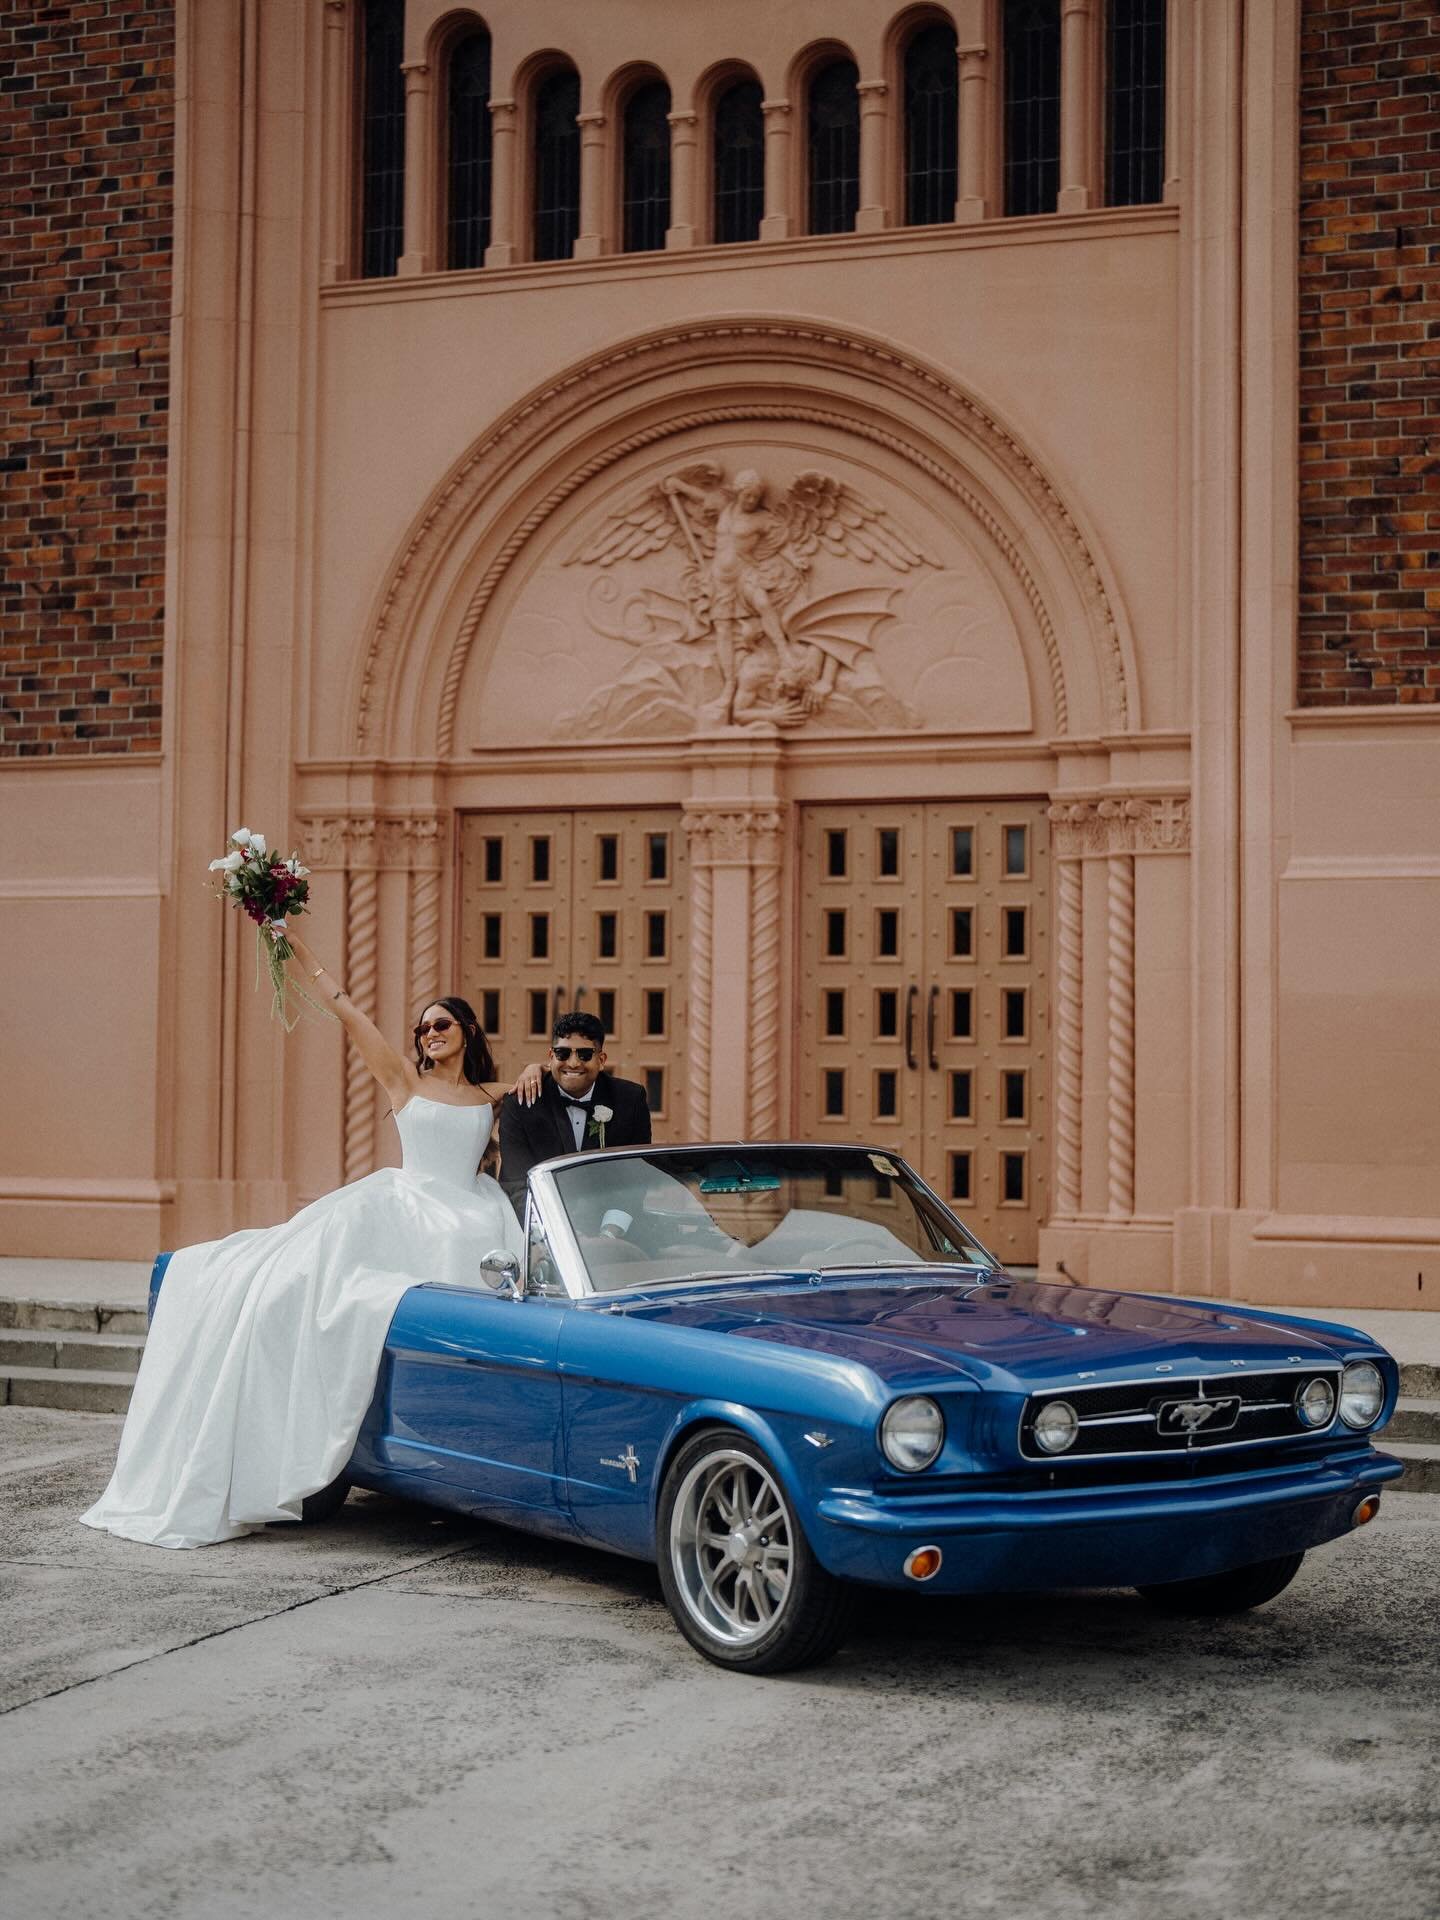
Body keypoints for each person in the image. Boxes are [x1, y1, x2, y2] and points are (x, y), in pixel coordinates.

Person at [80, 925, 526, 1550]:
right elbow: (344, 1007)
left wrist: (534, 1066)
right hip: (407, 1204)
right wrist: (287, 942)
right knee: (307, 1280)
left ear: (468, 1032)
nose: (429, 1034)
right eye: (422, 1028)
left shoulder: (490, 1095)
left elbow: (552, 1086)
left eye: (441, 1025)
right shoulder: (402, 1079)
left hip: (471, 1212)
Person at [497, 1010, 651, 1220]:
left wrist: (610, 1232)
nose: (573, 1063)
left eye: (585, 1054)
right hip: (540, 1226)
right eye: (563, 1053)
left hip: (611, 1227)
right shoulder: (520, 1104)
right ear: (551, 1057)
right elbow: (516, 1182)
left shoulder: (630, 1100)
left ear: (601, 1059)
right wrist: (554, 1233)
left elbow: (636, 1177)